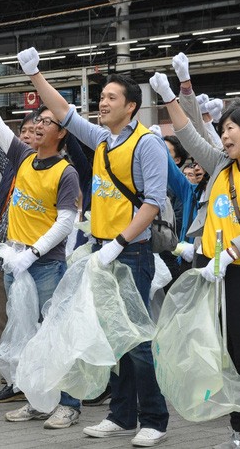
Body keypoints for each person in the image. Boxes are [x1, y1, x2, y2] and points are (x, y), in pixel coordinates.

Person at [18, 47, 170, 447]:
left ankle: (154, 418)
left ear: (132, 106)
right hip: (102, 252)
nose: (102, 103)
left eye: (111, 98)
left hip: (131, 253)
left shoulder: (146, 143)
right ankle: (121, 416)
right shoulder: (103, 139)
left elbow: (153, 202)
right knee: (113, 338)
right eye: (101, 97)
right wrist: (35, 75)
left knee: (136, 340)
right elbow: (65, 112)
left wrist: (119, 243)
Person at [150, 71, 240, 449]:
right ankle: (236, 432)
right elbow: (190, 135)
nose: (226, 136)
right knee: (223, 355)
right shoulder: (221, 166)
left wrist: (228, 254)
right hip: (207, 270)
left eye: (233, 129)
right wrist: (168, 97)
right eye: (224, 129)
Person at [0, 63, 82, 429]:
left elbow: (66, 221)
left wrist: (33, 253)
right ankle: (36, 399)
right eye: (37, 122)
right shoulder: (24, 158)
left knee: (52, 335)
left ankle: (68, 404)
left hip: (44, 266)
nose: (39, 126)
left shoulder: (65, 172)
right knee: (24, 335)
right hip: (16, 264)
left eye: (47, 123)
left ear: (61, 134)